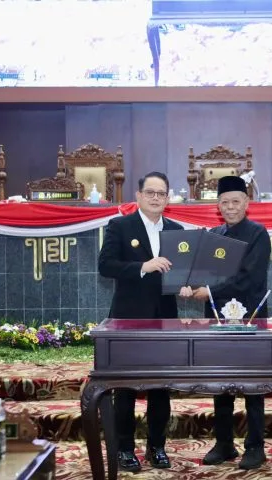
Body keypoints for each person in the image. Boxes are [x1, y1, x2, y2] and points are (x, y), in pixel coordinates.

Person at [98, 171, 191, 473]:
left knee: (161, 387)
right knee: (125, 388)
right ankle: (125, 448)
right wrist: (143, 266)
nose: (155, 198)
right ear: (138, 196)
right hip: (129, 318)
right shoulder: (120, 226)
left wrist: (186, 284)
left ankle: (157, 446)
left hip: (165, 319)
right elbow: (105, 266)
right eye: (150, 192)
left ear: (167, 198)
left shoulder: (176, 230)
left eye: (161, 193)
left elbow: (181, 270)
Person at [191, 175, 271, 470]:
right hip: (218, 317)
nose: (230, 207)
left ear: (247, 202)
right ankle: (224, 443)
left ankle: (255, 446)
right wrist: (189, 282)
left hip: (249, 317)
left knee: (253, 383)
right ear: (218, 205)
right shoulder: (214, 235)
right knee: (220, 379)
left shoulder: (258, 233)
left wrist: (209, 290)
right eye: (224, 202)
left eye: (236, 201)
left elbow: (250, 278)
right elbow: (205, 272)